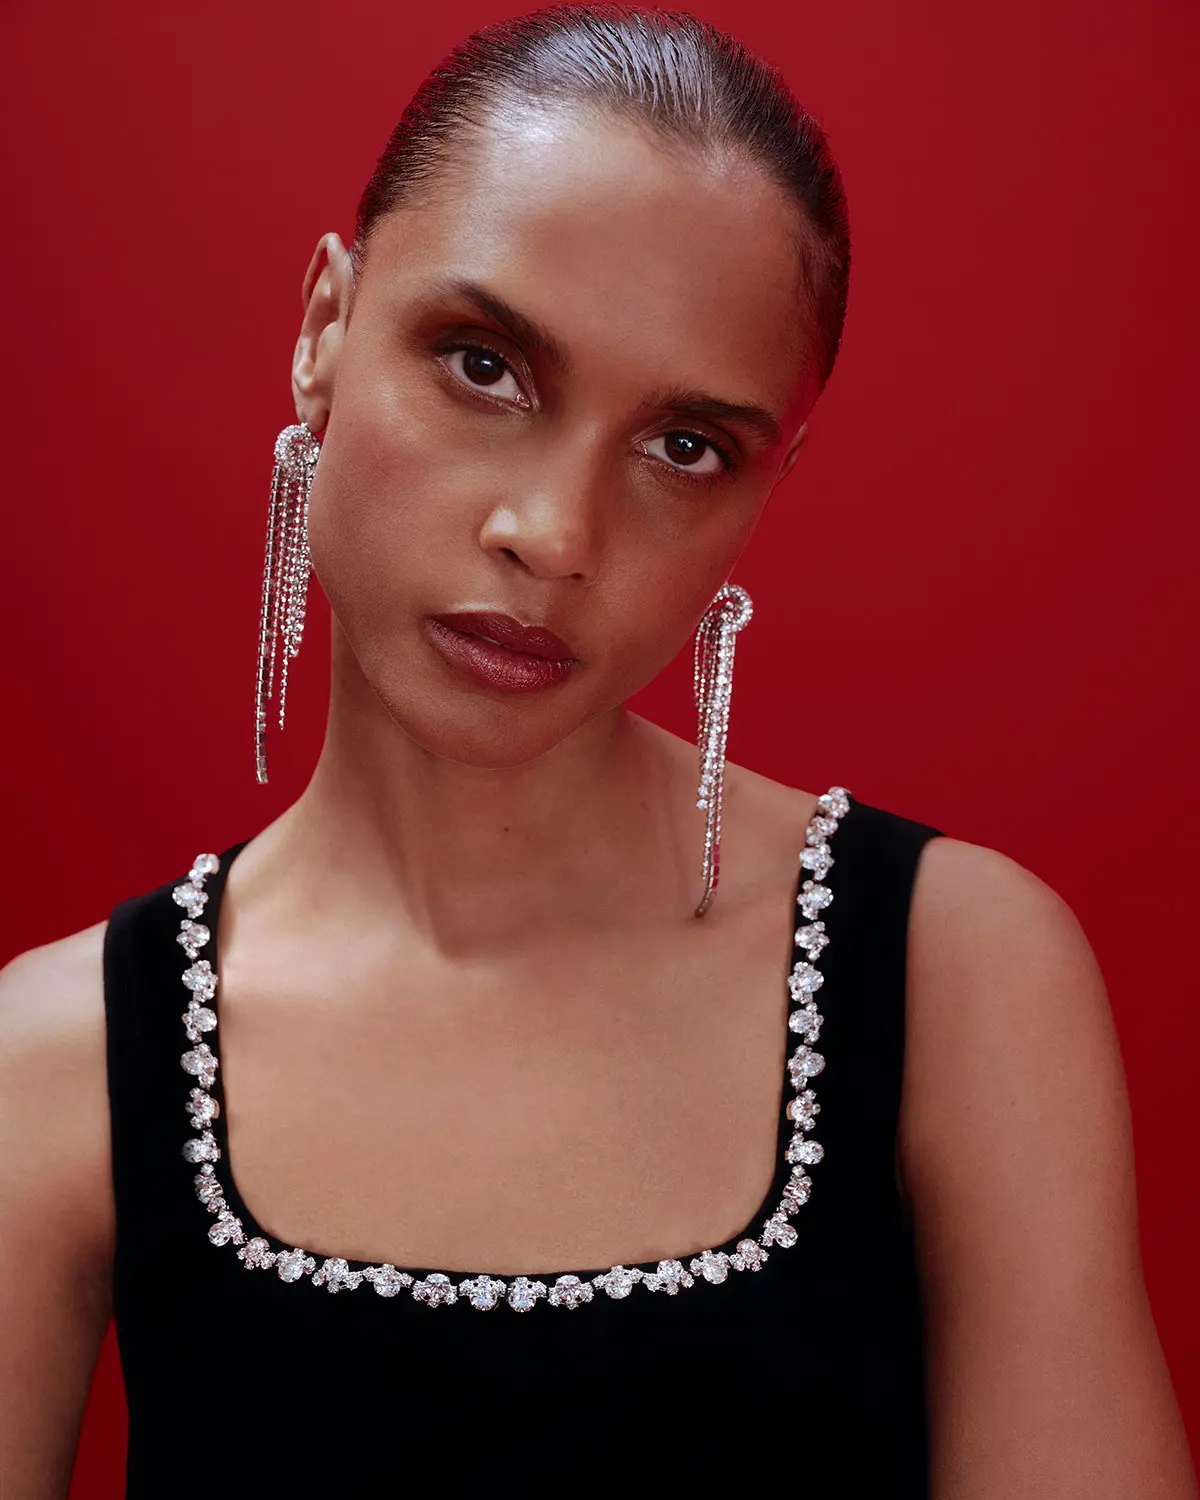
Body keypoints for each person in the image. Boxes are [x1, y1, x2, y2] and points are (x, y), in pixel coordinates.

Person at [1, 4, 1194, 1497]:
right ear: (325, 332)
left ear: (768, 488)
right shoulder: (49, 1069)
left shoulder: (958, 976)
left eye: (684, 448)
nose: (555, 536)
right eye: (485, 366)